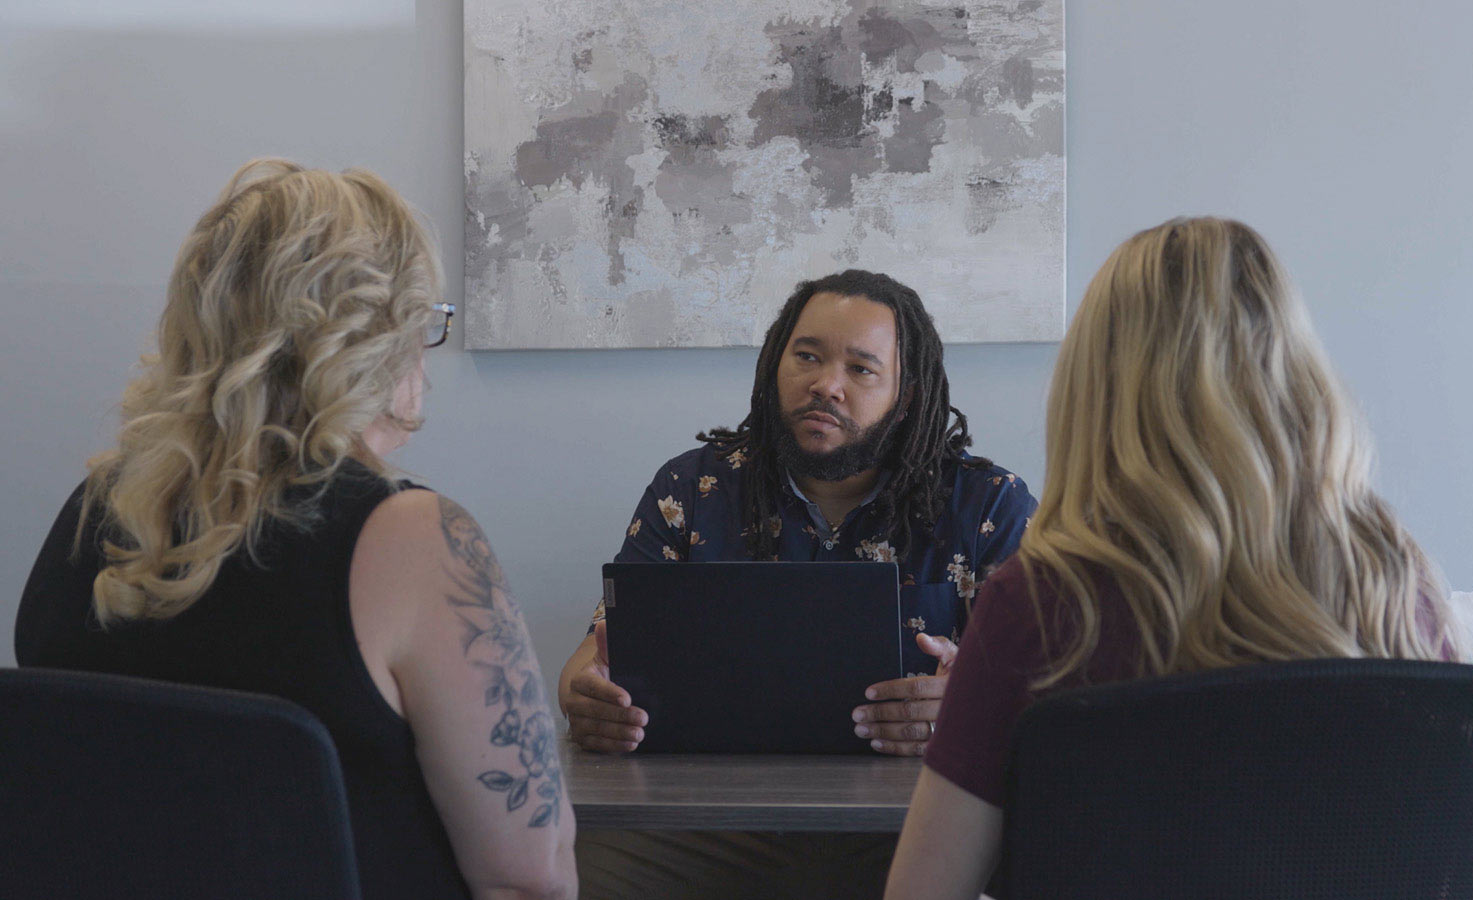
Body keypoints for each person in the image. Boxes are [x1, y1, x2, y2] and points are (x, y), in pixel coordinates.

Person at [15, 159, 577, 900]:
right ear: (378, 336)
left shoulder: (91, 511)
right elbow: (530, 879)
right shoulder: (414, 541)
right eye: (425, 321)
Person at [882, 217, 1465, 900]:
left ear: (1095, 386)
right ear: (1294, 368)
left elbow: (923, 893)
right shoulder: (1399, 585)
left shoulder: (1041, 605)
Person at [559, 270, 1037, 898]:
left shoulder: (987, 504)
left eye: (862, 369)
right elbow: (586, 666)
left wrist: (967, 707)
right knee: (559, 874)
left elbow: (1052, 700)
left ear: (908, 393)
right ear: (773, 363)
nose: (826, 385)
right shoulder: (692, 487)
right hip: (702, 822)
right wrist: (587, 702)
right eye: (806, 356)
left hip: (915, 822)